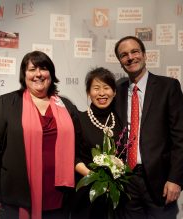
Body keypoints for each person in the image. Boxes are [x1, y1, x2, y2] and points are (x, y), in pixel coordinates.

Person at [0, 51, 80, 219]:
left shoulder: (66, 105)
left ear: (51, 74)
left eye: (43, 68)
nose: (38, 74)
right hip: (17, 199)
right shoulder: (7, 103)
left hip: (59, 197)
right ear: (24, 74)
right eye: (32, 69)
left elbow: (79, 145)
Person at [113, 36, 183, 219]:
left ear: (144, 55)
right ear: (120, 62)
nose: (130, 58)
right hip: (127, 179)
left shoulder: (168, 87)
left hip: (160, 180)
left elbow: (182, 137)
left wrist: (175, 179)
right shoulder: (118, 90)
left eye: (134, 52)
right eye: (124, 55)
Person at [71, 67, 123, 219]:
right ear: (88, 92)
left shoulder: (120, 122)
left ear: (114, 92)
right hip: (86, 193)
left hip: (117, 196)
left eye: (106, 88)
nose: (101, 93)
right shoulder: (79, 119)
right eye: (96, 88)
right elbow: (72, 157)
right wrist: (97, 179)